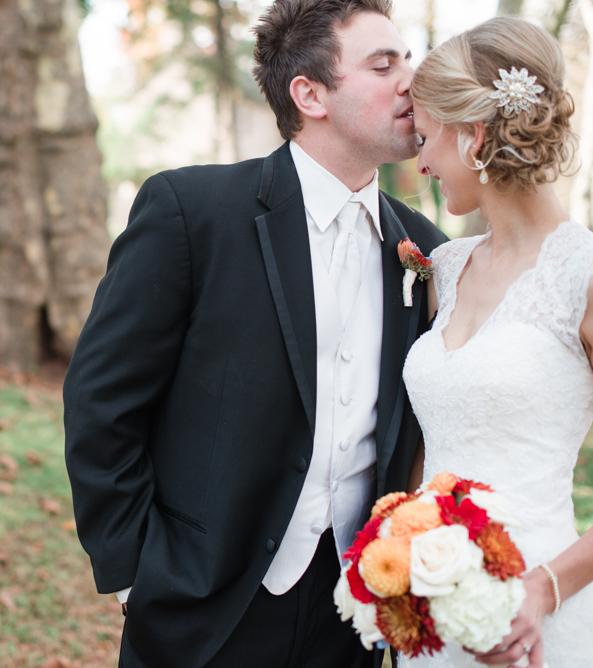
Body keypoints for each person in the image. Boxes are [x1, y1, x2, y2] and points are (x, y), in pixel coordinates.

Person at [63, 0, 446, 665]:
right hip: (202, 604)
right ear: (310, 94)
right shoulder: (193, 213)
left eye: (407, 59)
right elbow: (102, 402)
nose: (410, 80)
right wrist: (135, 573)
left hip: (352, 616)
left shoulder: (426, 249)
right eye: (383, 65)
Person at [403, 16, 593, 668]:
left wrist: (543, 590)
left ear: (474, 136)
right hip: (428, 611)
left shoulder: (584, 274)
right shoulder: (446, 268)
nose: (420, 160)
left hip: (537, 617)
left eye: (426, 138)